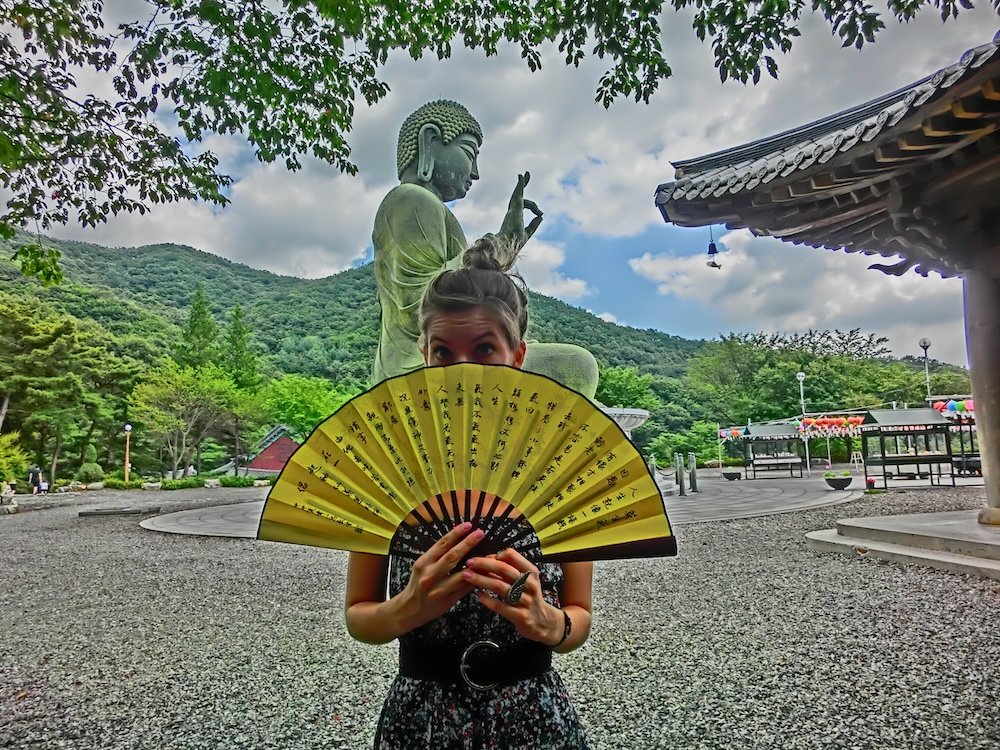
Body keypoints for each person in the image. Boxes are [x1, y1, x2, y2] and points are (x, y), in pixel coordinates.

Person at [346, 238, 593, 749]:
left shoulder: (561, 472)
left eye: (484, 349)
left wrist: (550, 624)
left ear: (517, 355)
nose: (462, 368)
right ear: (424, 355)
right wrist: (406, 609)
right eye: (443, 352)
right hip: (421, 720)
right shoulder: (386, 472)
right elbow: (359, 616)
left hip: (533, 718)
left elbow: (579, 618)